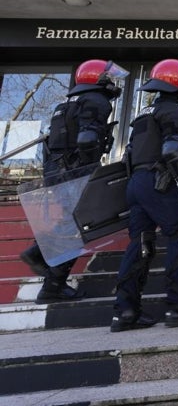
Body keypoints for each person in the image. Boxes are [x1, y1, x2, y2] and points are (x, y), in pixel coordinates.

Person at [112, 59, 178, 332]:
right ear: (176, 82)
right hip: (158, 182)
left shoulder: (144, 114)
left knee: (140, 244)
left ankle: (125, 311)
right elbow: (171, 150)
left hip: (136, 183)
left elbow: (131, 153)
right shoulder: (175, 111)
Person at [20, 59, 127, 303]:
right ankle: (52, 282)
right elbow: (88, 138)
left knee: (71, 222)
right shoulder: (96, 101)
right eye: (108, 77)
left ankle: (39, 257)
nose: (111, 82)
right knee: (78, 227)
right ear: (97, 79)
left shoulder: (65, 105)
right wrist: (89, 169)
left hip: (56, 171)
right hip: (76, 172)